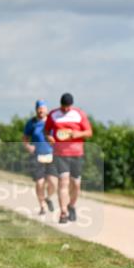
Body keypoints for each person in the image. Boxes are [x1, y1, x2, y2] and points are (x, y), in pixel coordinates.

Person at [45, 92, 93, 224]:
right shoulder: (53, 114)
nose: (65, 109)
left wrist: (78, 133)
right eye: (63, 106)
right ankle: (63, 212)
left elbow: (89, 132)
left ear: (72, 105)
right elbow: (46, 130)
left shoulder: (79, 114)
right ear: (60, 104)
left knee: (76, 184)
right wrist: (48, 137)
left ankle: (71, 205)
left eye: (68, 107)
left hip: (77, 154)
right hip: (60, 154)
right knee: (63, 182)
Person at [22, 100, 58, 215]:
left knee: (53, 182)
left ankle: (48, 198)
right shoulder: (31, 123)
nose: (40, 111)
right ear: (36, 110)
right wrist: (28, 146)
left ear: (46, 110)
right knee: (40, 182)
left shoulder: (52, 122)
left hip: (51, 155)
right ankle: (42, 206)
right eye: (39, 109)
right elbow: (25, 138)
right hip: (37, 155)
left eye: (42, 109)